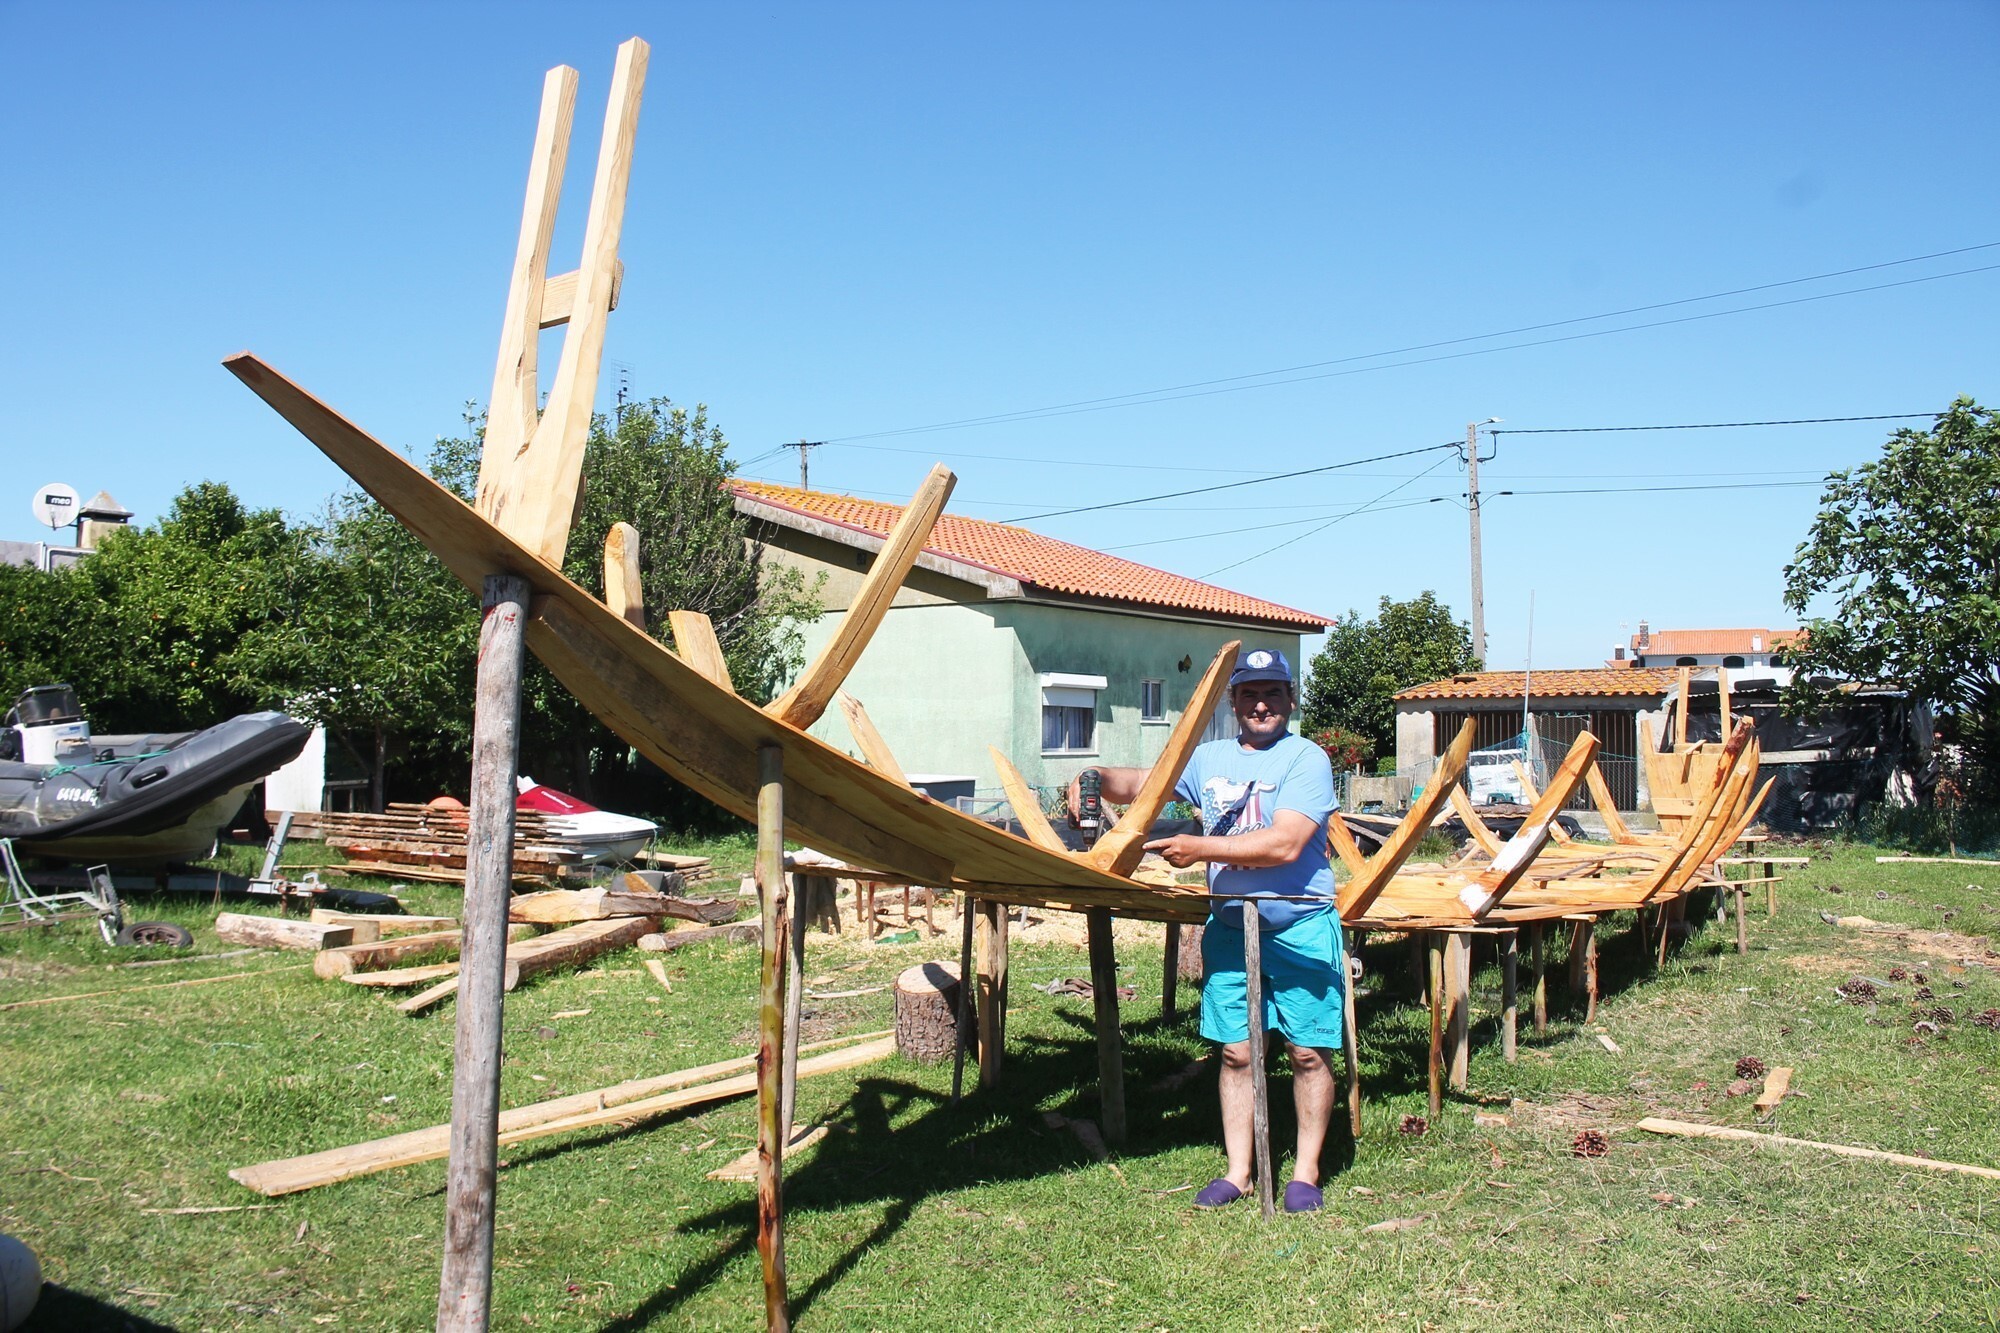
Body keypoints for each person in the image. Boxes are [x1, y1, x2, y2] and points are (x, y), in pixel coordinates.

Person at [1067, 647, 1340, 1213]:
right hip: (1230, 927)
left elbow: (1285, 843)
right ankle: (1239, 1172)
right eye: (1249, 694)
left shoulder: (1306, 758)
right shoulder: (1208, 758)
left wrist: (1200, 848)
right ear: (1233, 702)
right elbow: (1143, 783)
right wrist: (1094, 777)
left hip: (1301, 924)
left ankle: (1306, 1173)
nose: (1260, 704)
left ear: (1290, 700)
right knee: (1237, 1053)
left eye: (1272, 693)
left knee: (1308, 1053)